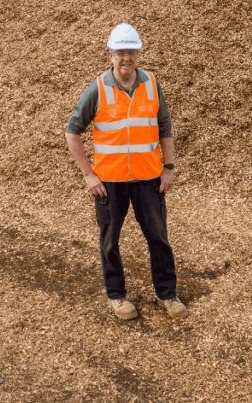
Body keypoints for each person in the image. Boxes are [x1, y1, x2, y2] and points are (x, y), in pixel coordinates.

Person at [65, 23, 188, 320]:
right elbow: (72, 132)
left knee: (159, 238)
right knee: (110, 241)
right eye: (120, 52)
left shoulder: (151, 84)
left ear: (138, 54)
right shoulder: (98, 88)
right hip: (110, 182)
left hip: (148, 179)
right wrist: (89, 175)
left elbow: (165, 127)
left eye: (131, 52)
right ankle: (117, 296)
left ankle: (166, 294)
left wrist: (168, 168)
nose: (126, 58)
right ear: (110, 55)